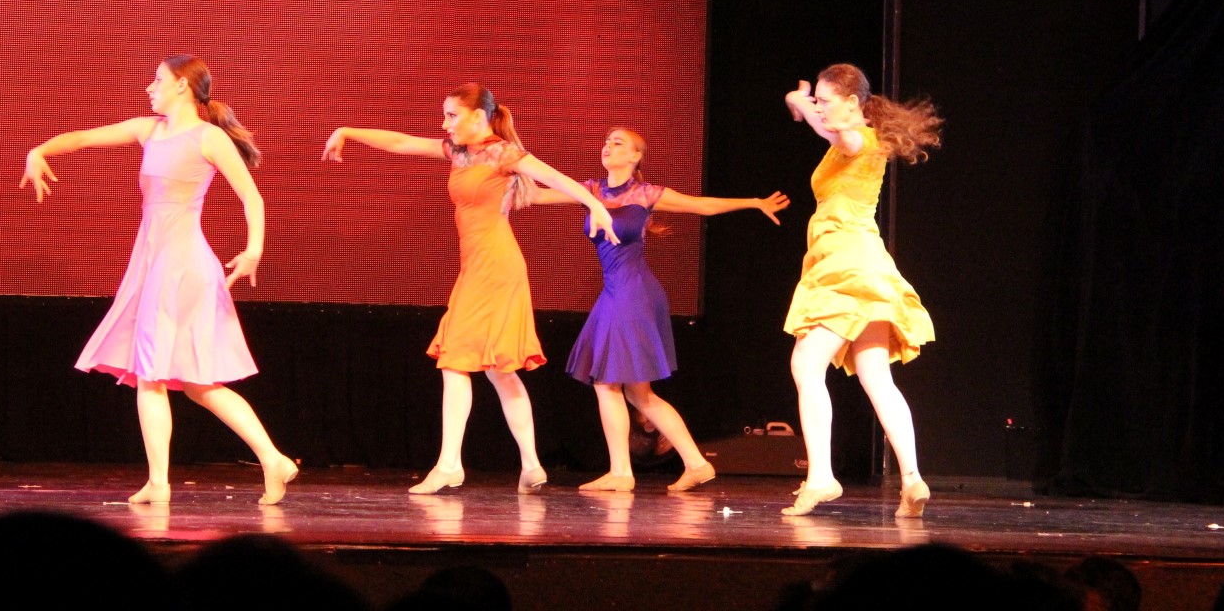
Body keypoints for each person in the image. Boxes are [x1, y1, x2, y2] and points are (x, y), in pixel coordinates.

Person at [20, 55, 297, 506]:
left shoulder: (207, 137)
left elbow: (252, 196)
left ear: (182, 86)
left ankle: (161, 483)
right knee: (195, 384)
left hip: (180, 266)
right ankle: (270, 458)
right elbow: (84, 138)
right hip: (157, 261)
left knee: (152, 375)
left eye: (157, 80)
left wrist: (254, 250)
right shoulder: (148, 130)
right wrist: (39, 151)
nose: (149, 88)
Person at [322, 83, 620, 494]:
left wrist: (597, 205)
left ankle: (449, 465)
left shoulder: (504, 153)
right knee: (499, 370)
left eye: (451, 115)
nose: (444, 123)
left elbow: (555, 178)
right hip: (479, 265)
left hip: (495, 265)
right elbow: (401, 143)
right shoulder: (458, 152)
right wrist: (348, 131)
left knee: (454, 359)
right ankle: (532, 465)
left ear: (478, 117)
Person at [531, 126, 789, 492]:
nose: (608, 146)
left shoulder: (645, 193)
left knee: (607, 383)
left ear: (635, 156)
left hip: (633, 292)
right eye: (606, 141)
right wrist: (503, 174)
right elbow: (538, 195)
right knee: (639, 394)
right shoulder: (590, 190)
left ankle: (622, 473)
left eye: (618, 142)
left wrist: (754, 202)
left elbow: (702, 205)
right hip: (615, 291)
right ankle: (696, 464)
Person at [780, 64, 941, 517]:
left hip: (846, 266)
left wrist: (801, 105)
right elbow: (832, 133)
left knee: (806, 363)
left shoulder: (859, 139)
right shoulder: (857, 141)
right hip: (865, 264)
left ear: (852, 103)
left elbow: (841, 135)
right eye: (819, 102)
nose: (821, 110)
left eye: (827, 102)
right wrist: (807, 107)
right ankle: (912, 478)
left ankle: (821, 476)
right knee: (876, 377)